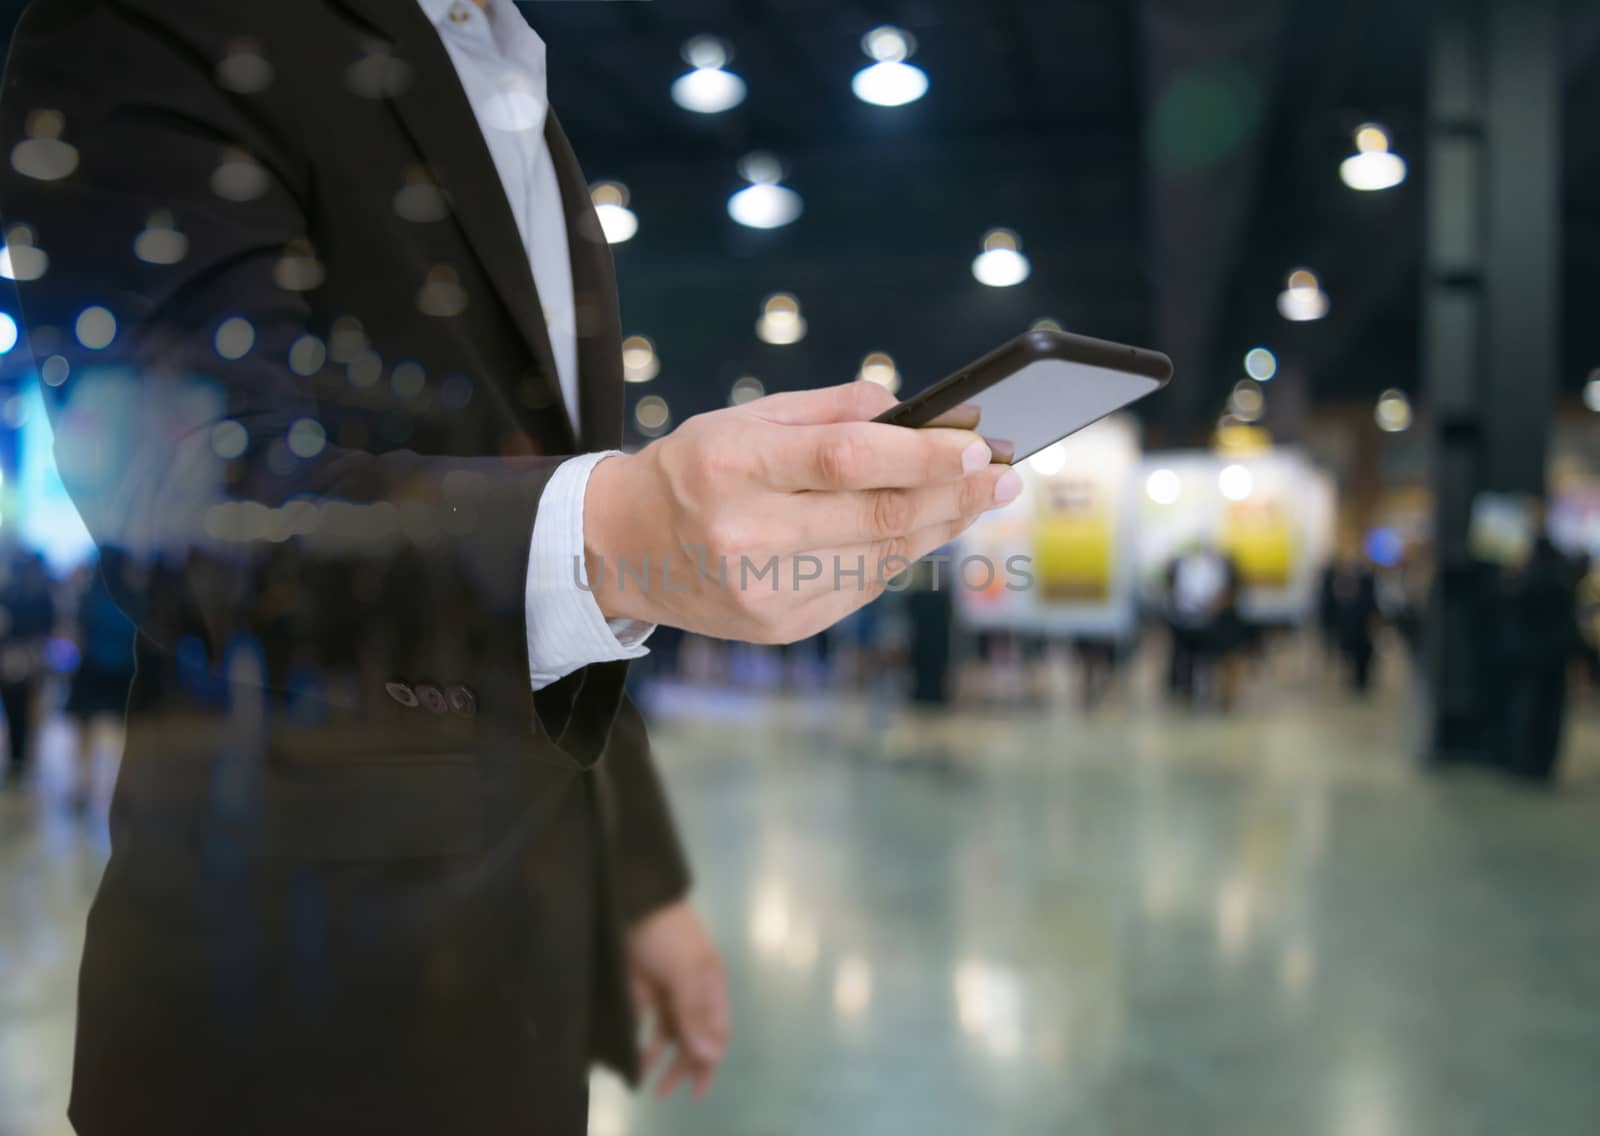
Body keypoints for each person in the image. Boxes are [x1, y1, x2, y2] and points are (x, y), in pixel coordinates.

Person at [0, 1, 1019, 1132]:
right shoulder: (153, 19)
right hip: (287, 1010)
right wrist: (623, 529)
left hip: (517, 979)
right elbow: (184, 496)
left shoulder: (504, 70)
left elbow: (561, 587)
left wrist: (638, 883)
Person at [61, 548, 139, 813]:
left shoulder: (89, 597)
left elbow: (77, 636)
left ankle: (83, 786)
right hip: (120, 673)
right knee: (119, 733)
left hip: (92, 671)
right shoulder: (130, 598)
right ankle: (120, 788)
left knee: (86, 733)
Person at [0, 542, 56, 788]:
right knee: (26, 710)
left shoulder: (11, 592)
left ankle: (19, 757)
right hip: (31, 659)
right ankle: (22, 756)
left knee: (17, 710)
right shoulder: (42, 594)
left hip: (14, 657)